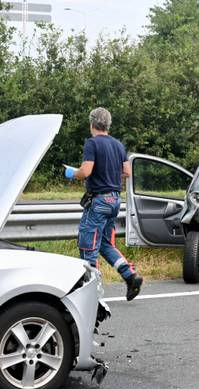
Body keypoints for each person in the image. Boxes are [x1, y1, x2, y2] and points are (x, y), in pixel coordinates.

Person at [64, 107, 143, 301]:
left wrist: (71, 173)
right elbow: (127, 171)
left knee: (88, 245)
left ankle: (92, 295)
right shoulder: (118, 145)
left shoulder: (92, 143)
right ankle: (130, 275)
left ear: (92, 124)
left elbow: (85, 171)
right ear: (107, 125)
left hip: (98, 201)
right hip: (115, 200)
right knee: (106, 243)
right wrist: (109, 173)